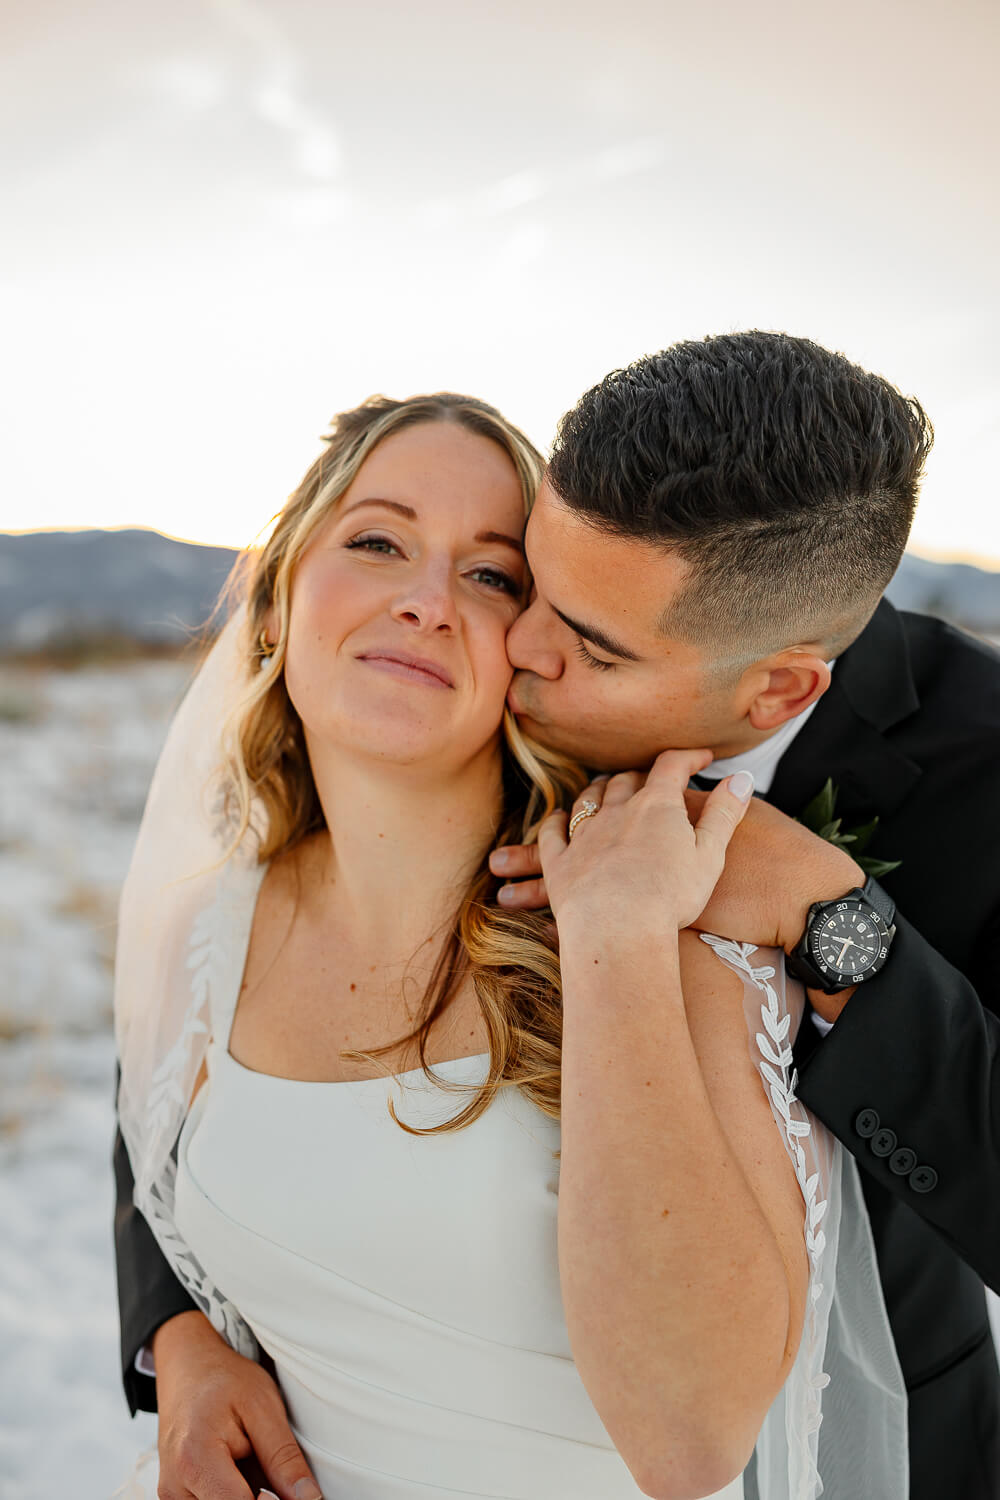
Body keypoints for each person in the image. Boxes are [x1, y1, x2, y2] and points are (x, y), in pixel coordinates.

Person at [112, 390, 896, 1500]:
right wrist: (186, 1341)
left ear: (538, 650)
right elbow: (159, 1188)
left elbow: (692, 1442)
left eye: (490, 575)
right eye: (378, 541)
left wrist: (616, 937)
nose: (427, 601)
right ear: (279, 598)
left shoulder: (670, 931)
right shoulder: (210, 927)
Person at [491, 332, 1000, 1500]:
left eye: (591, 646)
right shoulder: (470, 682)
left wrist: (831, 919)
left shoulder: (987, 768)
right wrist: (180, 1327)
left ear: (777, 689)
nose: (520, 645)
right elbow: (220, 1003)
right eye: (530, 580)